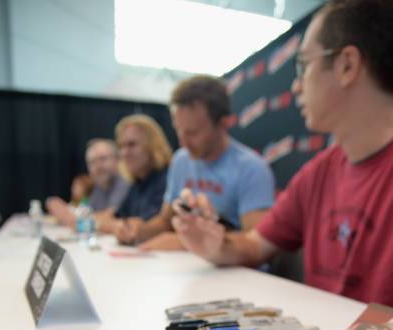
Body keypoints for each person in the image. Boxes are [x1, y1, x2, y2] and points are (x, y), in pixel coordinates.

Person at [173, 0, 393, 308]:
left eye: (303, 66)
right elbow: (255, 245)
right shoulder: (319, 172)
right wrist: (217, 244)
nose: (295, 87)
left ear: (347, 65)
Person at [115, 75, 275, 250]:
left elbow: (255, 242)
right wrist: (138, 230)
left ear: (222, 124)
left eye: (192, 133)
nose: (183, 142)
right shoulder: (180, 160)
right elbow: (165, 221)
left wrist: (188, 242)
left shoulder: (251, 168)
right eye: (179, 131)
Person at [96, 114, 172, 234]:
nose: (125, 153)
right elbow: (116, 217)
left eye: (132, 144)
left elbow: (138, 227)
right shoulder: (138, 182)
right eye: (121, 146)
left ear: (152, 145)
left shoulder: (168, 179)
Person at [46, 138, 129, 225]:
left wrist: (66, 214)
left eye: (103, 159)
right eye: (92, 162)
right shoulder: (98, 187)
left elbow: (110, 216)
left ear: (118, 159)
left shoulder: (125, 183)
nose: (98, 166)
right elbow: (88, 213)